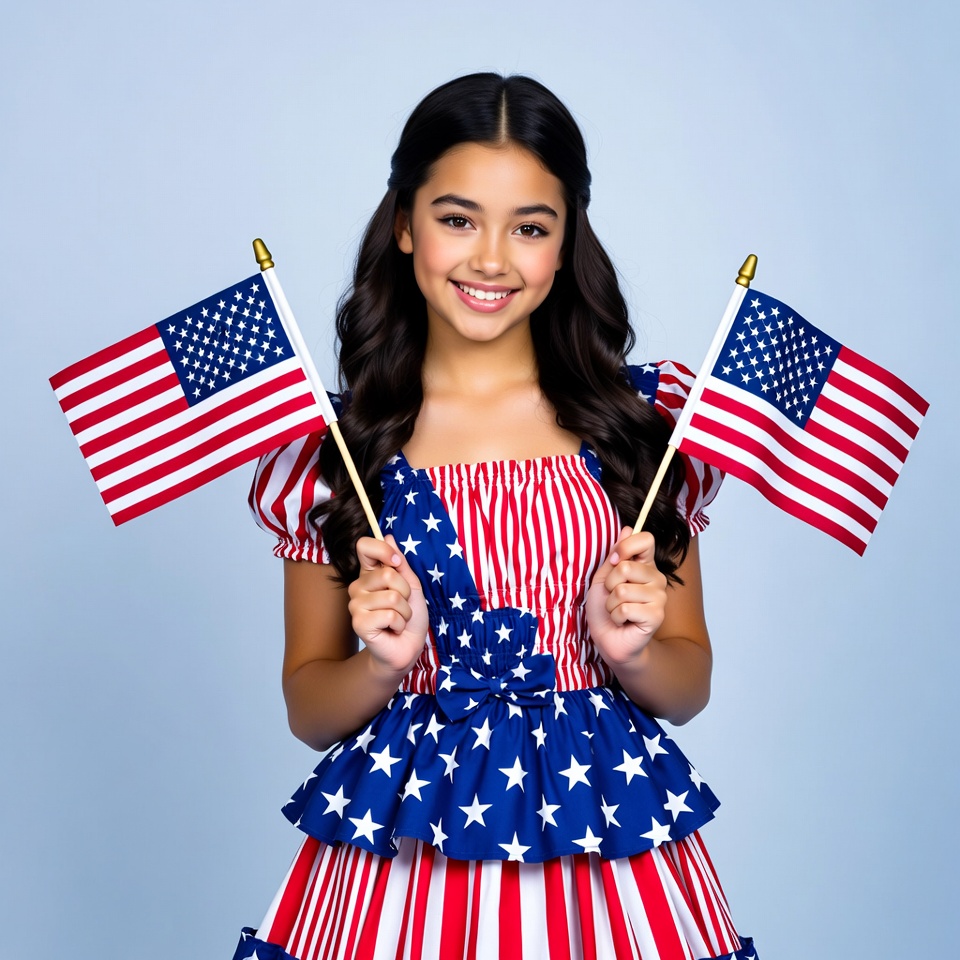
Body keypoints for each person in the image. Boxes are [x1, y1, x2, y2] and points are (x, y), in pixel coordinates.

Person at [235, 73, 757, 960]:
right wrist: (382, 667)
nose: (490, 259)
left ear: (564, 244)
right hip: (405, 872)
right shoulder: (336, 448)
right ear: (405, 225)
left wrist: (631, 653)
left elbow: (690, 685)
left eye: (529, 227)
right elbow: (308, 707)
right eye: (457, 218)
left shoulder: (644, 430)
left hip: (608, 854)